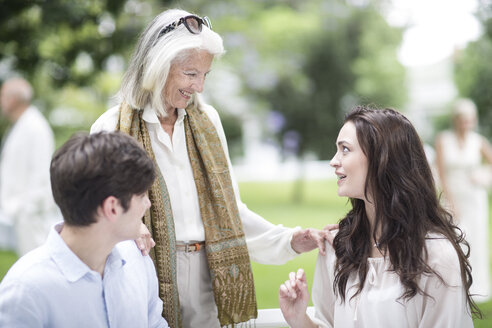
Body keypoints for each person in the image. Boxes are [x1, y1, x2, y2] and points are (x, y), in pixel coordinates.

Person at [91, 8, 330, 328]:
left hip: (210, 275)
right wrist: (129, 224)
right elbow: (94, 215)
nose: (199, 87)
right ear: (158, 67)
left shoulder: (208, 122)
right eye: (191, 73)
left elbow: (231, 214)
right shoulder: (110, 127)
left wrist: (288, 240)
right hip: (144, 272)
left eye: (205, 75)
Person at [278, 107, 478, 327]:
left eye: (345, 149)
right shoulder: (337, 247)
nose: (333, 161)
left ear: (381, 158)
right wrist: (300, 319)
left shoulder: (436, 255)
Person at [0, 131, 168, 328]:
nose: (147, 204)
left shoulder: (136, 258)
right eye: (141, 196)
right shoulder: (26, 292)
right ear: (112, 208)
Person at [435, 98, 492, 302]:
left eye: (470, 119)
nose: (466, 123)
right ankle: (455, 287)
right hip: (452, 199)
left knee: (476, 241)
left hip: (475, 200)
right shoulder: (443, 140)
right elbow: (440, 174)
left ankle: (478, 286)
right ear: (456, 119)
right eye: (463, 119)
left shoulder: (478, 141)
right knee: (454, 242)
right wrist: (450, 202)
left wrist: (484, 174)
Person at [0, 77, 59, 255]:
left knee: (36, 263)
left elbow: (41, 172)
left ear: (13, 99)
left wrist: (27, 207)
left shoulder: (35, 126)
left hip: (32, 213)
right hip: (22, 213)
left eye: (2, 95)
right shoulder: (21, 125)